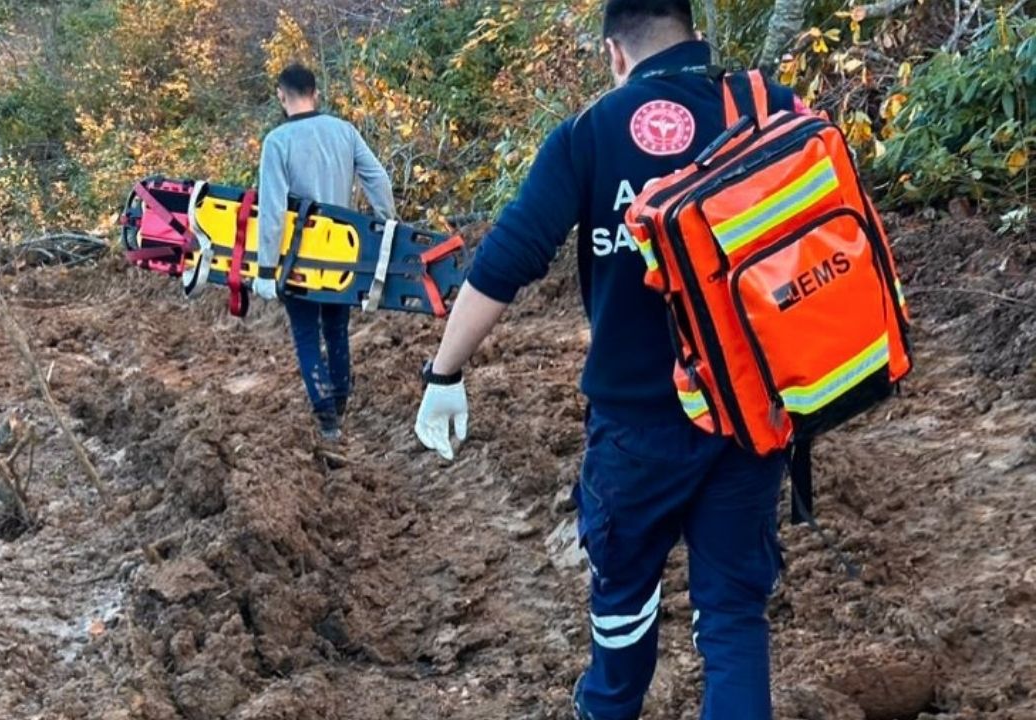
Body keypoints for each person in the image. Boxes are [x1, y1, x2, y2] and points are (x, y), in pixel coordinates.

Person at [413, 1, 803, 718]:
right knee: (732, 617)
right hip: (753, 414)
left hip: (637, 427)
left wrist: (445, 372)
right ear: (693, 32)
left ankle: (609, 706)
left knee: (623, 599)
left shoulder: (589, 134)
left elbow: (507, 259)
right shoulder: (765, 106)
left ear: (614, 53)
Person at [253, 63, 397, 441]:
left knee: (305, 333)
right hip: (342, 254)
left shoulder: (277, 142)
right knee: (336, 329)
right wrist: (388, 226)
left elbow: (272, 212)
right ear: (315, 93)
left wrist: (265, 270)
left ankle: (327, 419)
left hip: (298, 260)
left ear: (281, 96)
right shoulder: (344, 131)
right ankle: (341, 402)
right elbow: (378, 178)